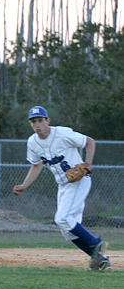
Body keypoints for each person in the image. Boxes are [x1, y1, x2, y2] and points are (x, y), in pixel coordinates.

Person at [13, 106, 111, 271]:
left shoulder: (62, 133)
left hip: (79, 181)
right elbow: (36, 165)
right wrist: (24, 185)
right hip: (64, 185)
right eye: (34, 121)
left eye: (41, 120)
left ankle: (96, 243)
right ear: (30, 124)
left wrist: (87, 164)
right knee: (67, 230)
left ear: (48, 121)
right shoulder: (33, 142)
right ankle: (100, 260)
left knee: (62, 219)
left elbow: (89, 142)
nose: (38, 125)